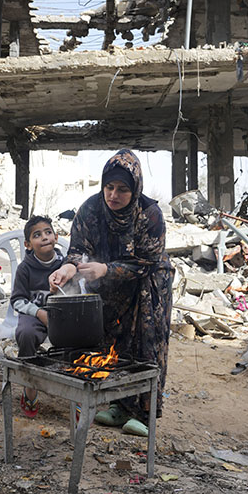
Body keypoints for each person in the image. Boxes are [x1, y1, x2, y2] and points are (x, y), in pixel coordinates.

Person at [49, 149, 174, 436]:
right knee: (113, 340)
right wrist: (68, 270)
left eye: (122, 189)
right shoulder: (90, 210)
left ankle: (144, 412)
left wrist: (106, 269)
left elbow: (147, 261)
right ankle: (119, 404)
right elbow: (77, 251)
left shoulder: (150, 215)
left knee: (145, 341)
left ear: (135, 189)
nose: (113, 195)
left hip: (148, 283)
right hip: (108, 284)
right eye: (109, 187)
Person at [11, 215, 63, 418]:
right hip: (34, 314)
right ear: (28, 244)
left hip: (60, 314)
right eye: (37, 235)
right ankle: (29, 385)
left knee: (80, 335)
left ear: (56, 237)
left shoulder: (64, 264)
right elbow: (17, 301)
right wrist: (40, 313)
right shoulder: (25, 268)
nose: (44, 237)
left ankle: (77, 392)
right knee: (25, 333)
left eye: (48, 232)